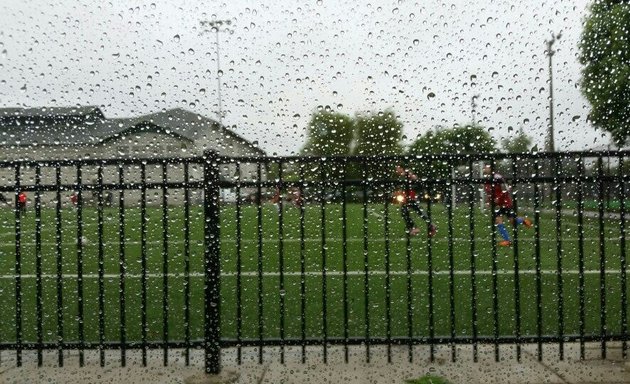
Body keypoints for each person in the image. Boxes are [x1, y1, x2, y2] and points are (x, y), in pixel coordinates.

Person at [483, 164, 532, 247]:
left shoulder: (497, 177)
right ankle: (507, 240)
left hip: (505, 203)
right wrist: (488, 201)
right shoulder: (487, 180)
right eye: (484, 167)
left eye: (486, 167)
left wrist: (499, 198)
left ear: (491, 168)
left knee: (512, 221)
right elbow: (489, 192)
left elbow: (506, 189)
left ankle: (523, 220)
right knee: (498, 221)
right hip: (497, 205)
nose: (484, 169)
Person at [395, 165, 437, 238]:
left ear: (401, 168)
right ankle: (431, 226)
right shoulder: (403, 176)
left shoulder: (406, 174)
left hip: (410, 197)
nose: (396, 170)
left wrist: (411, 177)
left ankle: (415, 228)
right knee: (418, 212)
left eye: (397, 169)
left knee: (406, 212)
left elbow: (415, 178)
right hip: (408, 197)